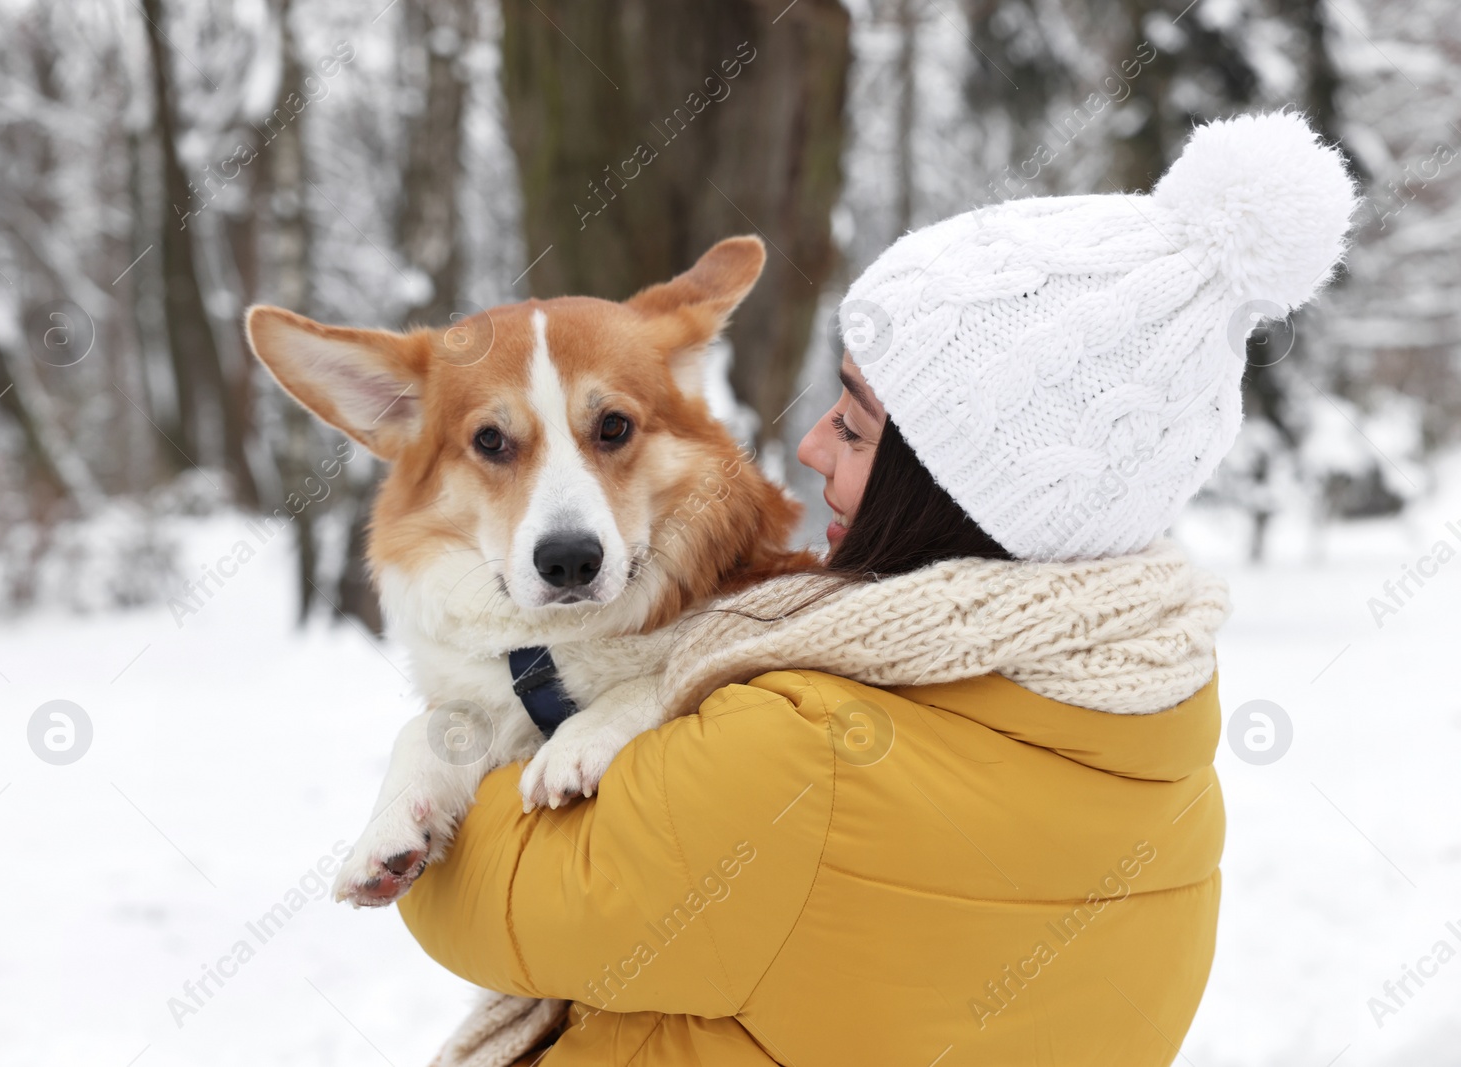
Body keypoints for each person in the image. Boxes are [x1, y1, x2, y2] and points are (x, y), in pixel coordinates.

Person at [398, 111, 1358, 1066]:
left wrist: (441, 751)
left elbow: (475, 896)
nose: (810, 444)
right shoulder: (1167, 763)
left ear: (952, 489)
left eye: (854, 429)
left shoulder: (799, 747)